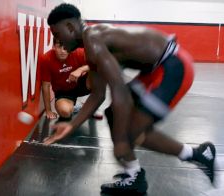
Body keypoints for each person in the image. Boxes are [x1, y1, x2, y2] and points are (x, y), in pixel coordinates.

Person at [43, 3, 216, 195]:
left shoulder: (93, 40)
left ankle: (199, 155)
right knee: (114, 116)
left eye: (56, 34)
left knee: (132, 132)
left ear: (69, 27)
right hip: (154, 69)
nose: (56, 40)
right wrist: (71, 125)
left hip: (173, 66)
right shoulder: (90, 46)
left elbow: (120, 93)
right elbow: (98, 95)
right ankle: (133, 175)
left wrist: (122, 143)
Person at [40, 37, 102, 121]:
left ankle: (92, 106)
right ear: (54, 46)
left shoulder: (78, 52)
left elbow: (98, 63)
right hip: (63, 92)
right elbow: (45, 85)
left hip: (81, 84)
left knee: (97, 73)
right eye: (59, 46)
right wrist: (48, 110)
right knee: (65, 112)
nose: (63, 51)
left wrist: (80, 69)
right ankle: (76, 107)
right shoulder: (46, 59)